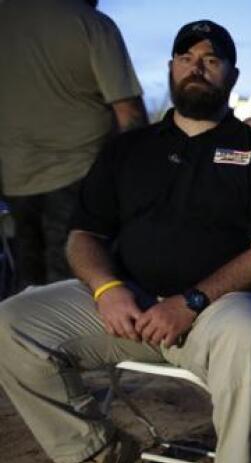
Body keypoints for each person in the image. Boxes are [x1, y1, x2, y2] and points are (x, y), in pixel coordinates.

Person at [0, 20, 251, 463]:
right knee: (12, 322)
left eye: (210, 60)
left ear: (233, 76)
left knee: (250, 339)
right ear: (170, 68)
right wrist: (107, 289)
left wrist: (191, 302)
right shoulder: (128, 149)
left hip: (218, 316)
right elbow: (84, 234)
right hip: (132, 309)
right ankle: (92, 447)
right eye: (186, 58)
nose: (196, 68)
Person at [0, 0, 147, 292]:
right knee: (71, 285)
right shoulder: (91, 24)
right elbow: (128, 113)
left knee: (24, 283)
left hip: (14, 177)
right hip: (81, 174)